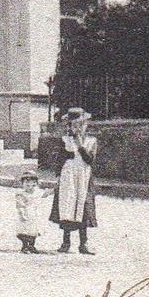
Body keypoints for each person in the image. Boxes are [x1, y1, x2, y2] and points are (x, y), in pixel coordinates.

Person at [49, 107, 98, 254]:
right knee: (67, 205)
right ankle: (66, 242)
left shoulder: (91, 141)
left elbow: (90, 160)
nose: (77, 128)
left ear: (85, 125)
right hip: (68, 176)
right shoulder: (64, 141)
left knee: (83, 205)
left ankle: (83, 243)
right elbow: (59, 161)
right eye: (73, 125)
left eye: (80, 124)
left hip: (84, 176)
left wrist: (80, 145)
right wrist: (58, 179)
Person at [15, 170, 49, 253]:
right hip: (27, 214)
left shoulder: (37, 193)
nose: (30, 187)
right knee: (25, 231)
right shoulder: (21, 194)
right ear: (22, 184)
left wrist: (50, 191)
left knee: (34, 231)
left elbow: (44, 194)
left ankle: (32, 245)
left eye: (33, 185)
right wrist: (22, 213)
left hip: (35, 214)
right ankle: (25, 245)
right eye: (27, 185)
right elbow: (20, 205)